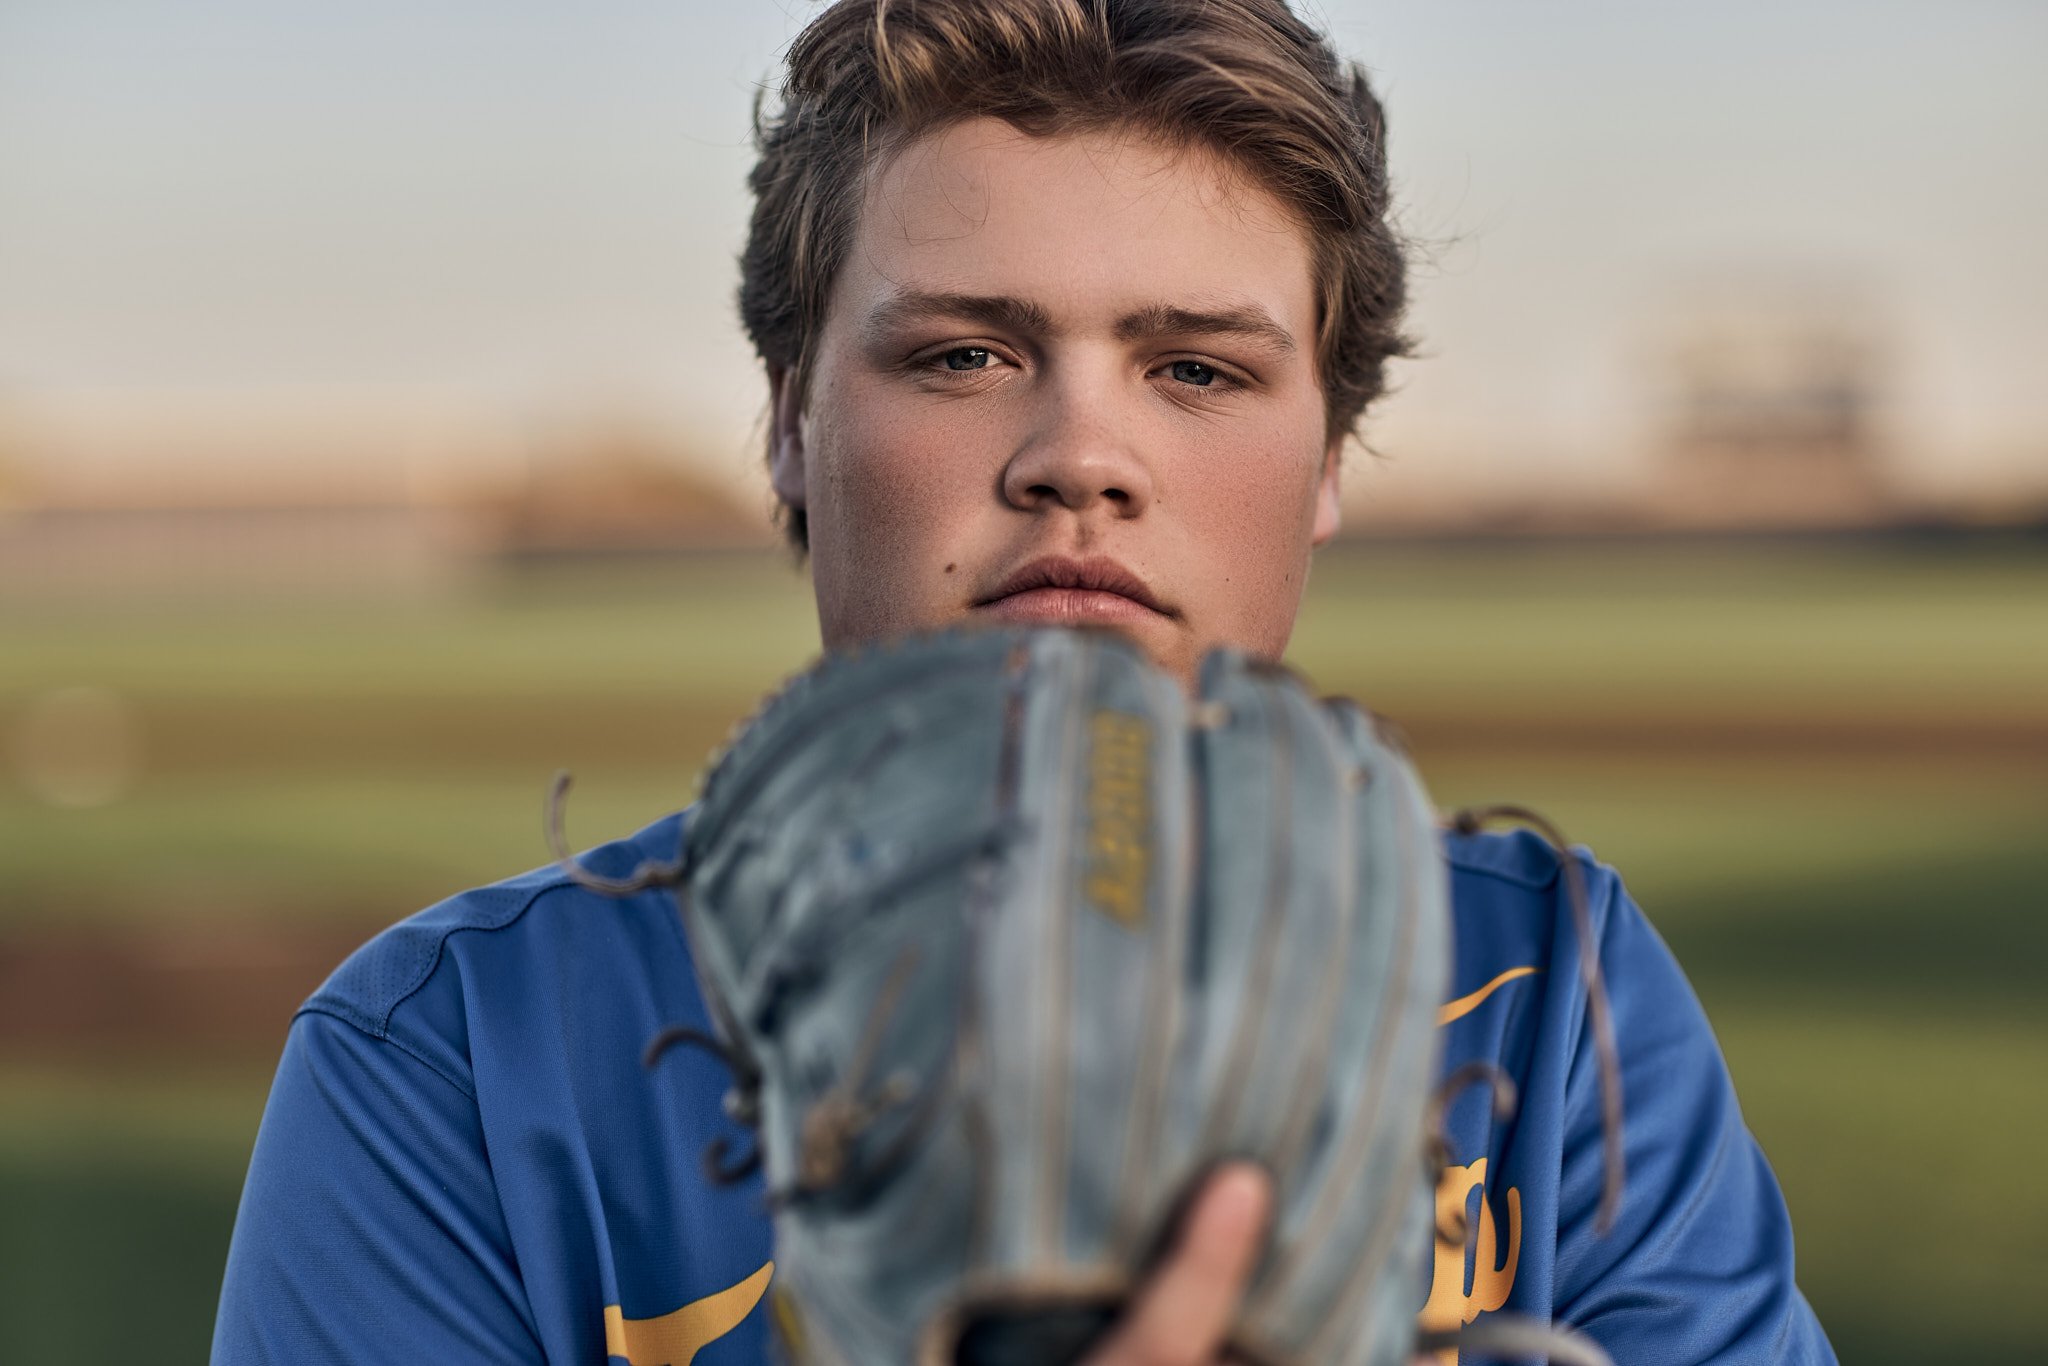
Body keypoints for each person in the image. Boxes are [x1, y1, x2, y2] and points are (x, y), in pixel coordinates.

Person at [212, 2, 1837, 1362]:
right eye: (964, 355)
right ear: (789, 415)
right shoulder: (448, 1061)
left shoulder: (1546, 986)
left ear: (1327, 457)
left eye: (1198, 367)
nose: (1081, 457)